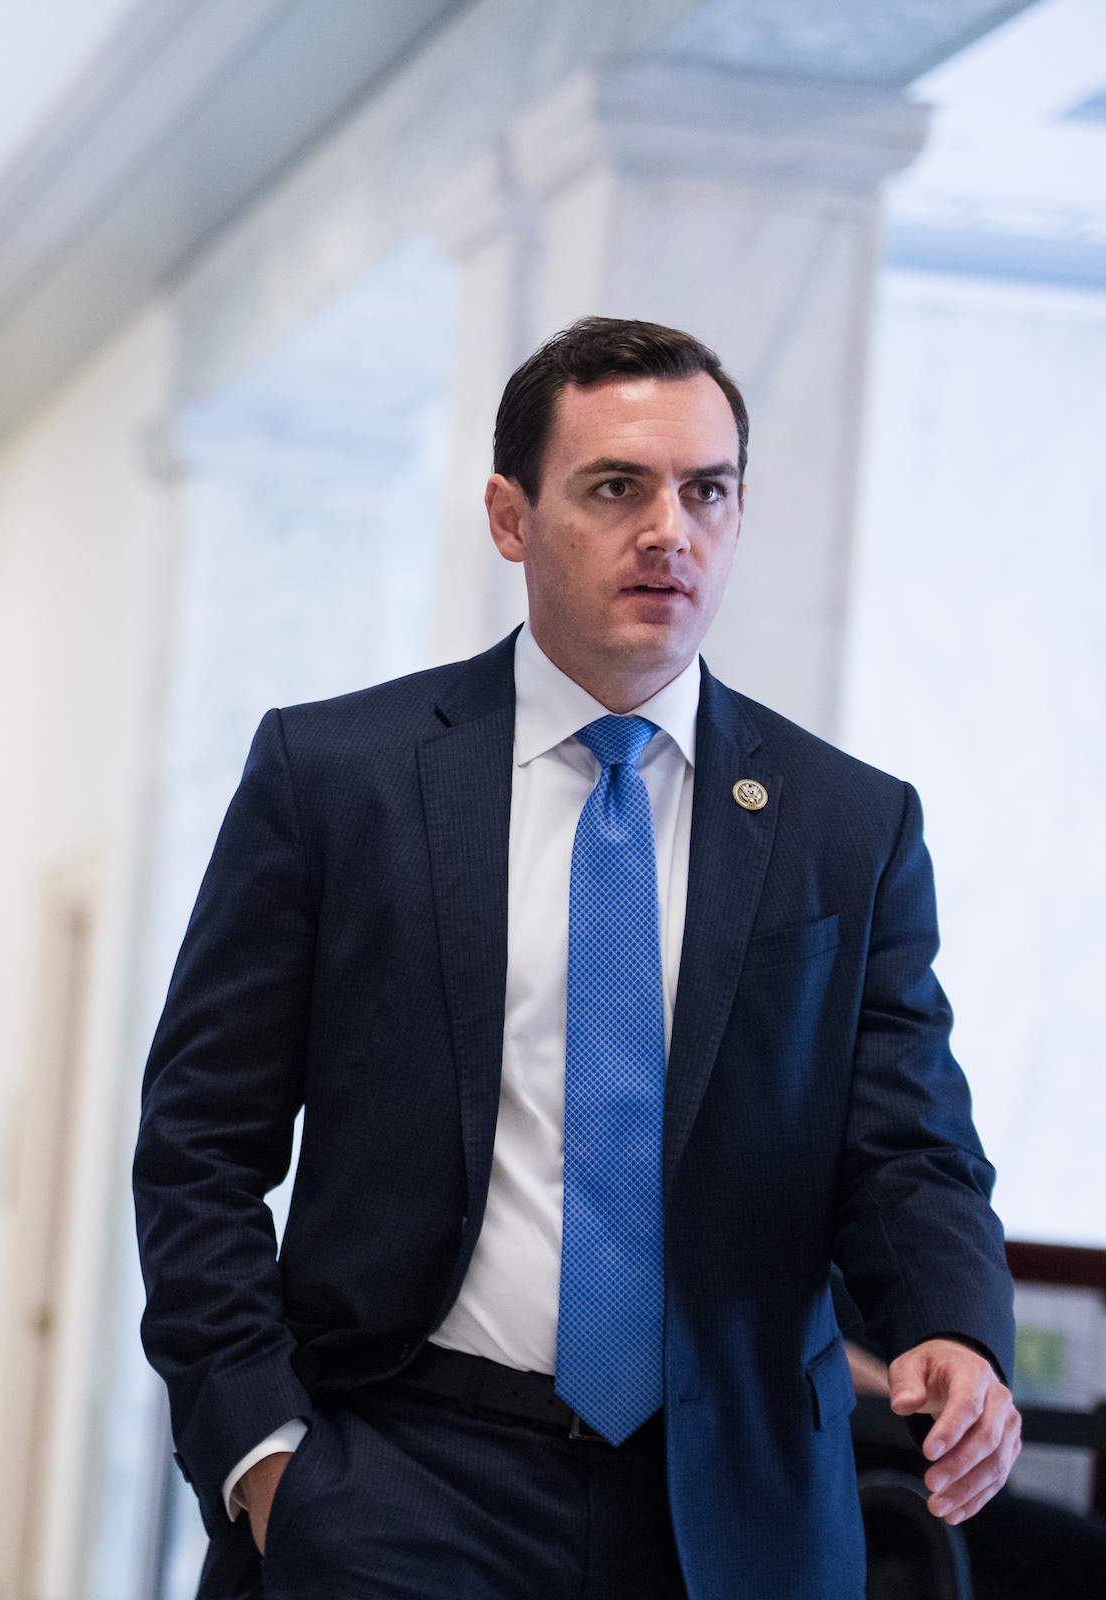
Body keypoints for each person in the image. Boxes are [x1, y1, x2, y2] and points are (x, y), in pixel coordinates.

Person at [132, 317, 1020, 1598]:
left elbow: (906, 1143)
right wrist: (266, 1453)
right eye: (617, 487)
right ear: (511, 514)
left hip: (731, 1502)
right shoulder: (338, 781)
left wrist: (952, 1323)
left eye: (704, 491)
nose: (671, 529)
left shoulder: (846, 825)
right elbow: (200, 1143)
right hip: (399, 1474)